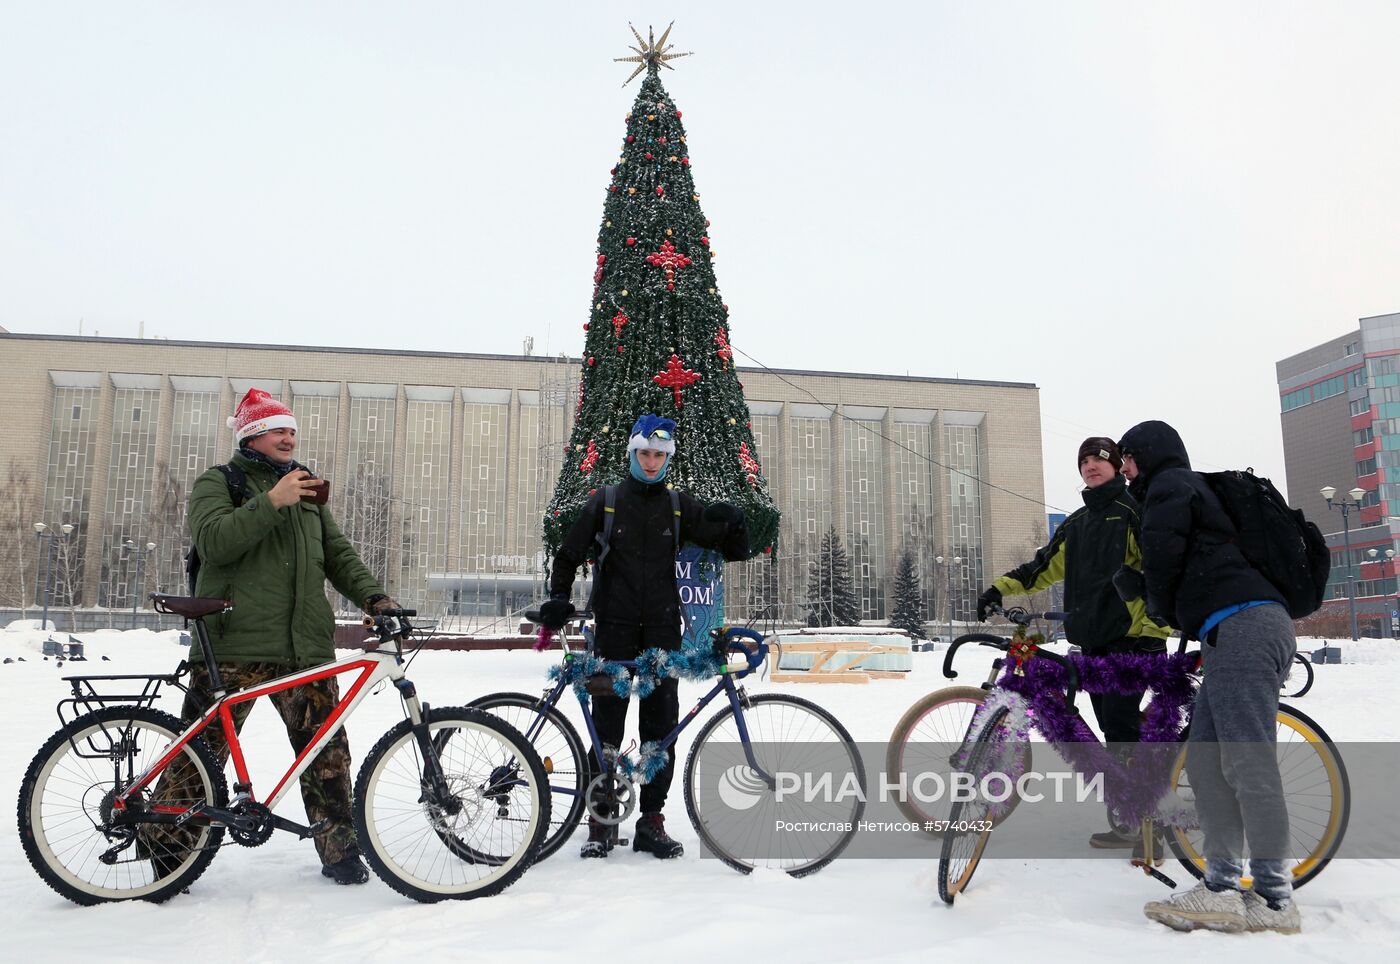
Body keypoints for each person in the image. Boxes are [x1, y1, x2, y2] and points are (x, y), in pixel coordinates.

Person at [175, 388, 396, 885]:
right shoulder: (220, 482)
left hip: (305, 648)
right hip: (235, 644)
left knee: (327, 755)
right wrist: (271, 502)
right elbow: (213, 542)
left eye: (292, 430)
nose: (289, 437)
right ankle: (168, 852)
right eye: (278, 429)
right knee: (199, 757)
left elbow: (339, 556)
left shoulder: (307, 493)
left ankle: (340, 852)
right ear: (252, 434)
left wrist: (375, 599)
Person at [539, 414, 751, 859]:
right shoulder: (607, 501)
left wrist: (734, 520)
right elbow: (569, 550)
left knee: (660, 731)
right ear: (633, 453)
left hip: (662, 632)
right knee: (608, 725)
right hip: (613, 630)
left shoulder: (678, 505)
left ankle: (651, 822)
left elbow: (732, 550)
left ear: (667, 457)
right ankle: (602, 819)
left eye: (659, 454)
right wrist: (559, 596)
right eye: (644, 453)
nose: (652, 461)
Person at [1119, 420, 1300, 935]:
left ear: (1149, 454)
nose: (1126, 467)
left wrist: (1145, 594)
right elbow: (1192, 578)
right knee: (1206, 765)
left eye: (1128, 456)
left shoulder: (1171, 487)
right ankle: (1220, 886)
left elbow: (1163, 557)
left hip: (1246, 628)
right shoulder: (1186, 490)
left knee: (1248, 763)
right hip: (1231, 629)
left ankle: (1274, 896)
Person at [974, 437, 1172, 852]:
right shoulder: (1077, 523)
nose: (1090, 465)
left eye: (1099, 458)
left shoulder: (1133, 513)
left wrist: (1154, 627)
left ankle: (1144, 823)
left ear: (1117, 466)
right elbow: (1041, 569)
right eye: (1083, 460)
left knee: (1119, 727)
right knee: (1113, 728)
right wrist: (998, 588)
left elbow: (1161, 568)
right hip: (1094, 642)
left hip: (1133, 640)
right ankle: (1140, 805)